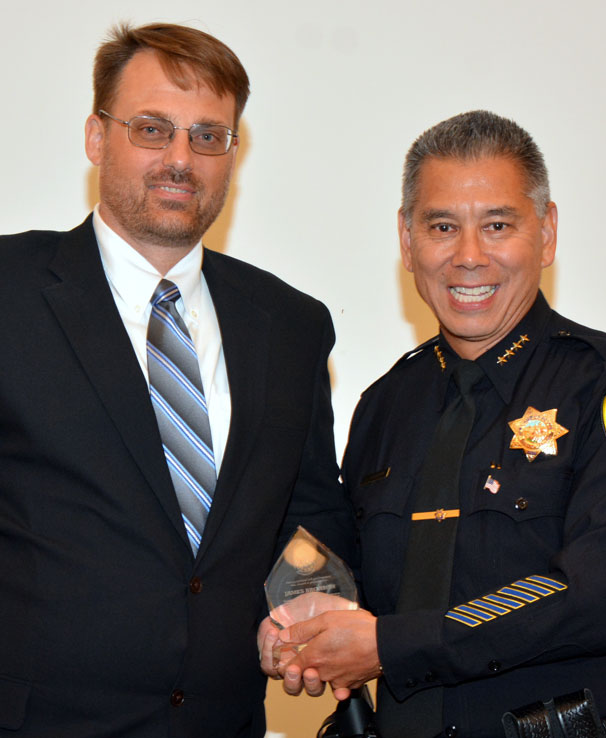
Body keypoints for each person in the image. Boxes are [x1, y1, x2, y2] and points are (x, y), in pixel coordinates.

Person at [0, 22, 352, 738]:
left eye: (208, 136)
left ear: (234, 153)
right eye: (153, 129)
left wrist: (310, 602)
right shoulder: (10, 292)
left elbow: (305, 511)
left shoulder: (290, 325)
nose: (180, 160)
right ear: (97, 137)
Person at [260, 111, 606, 737]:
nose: (469, 257)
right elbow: (353, 580)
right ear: (407, 241)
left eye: (498, 225)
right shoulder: (385, 405)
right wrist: (301, 623)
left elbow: (599, 598)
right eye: (442, 226)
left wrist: (390, 645)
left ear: (546, 234)